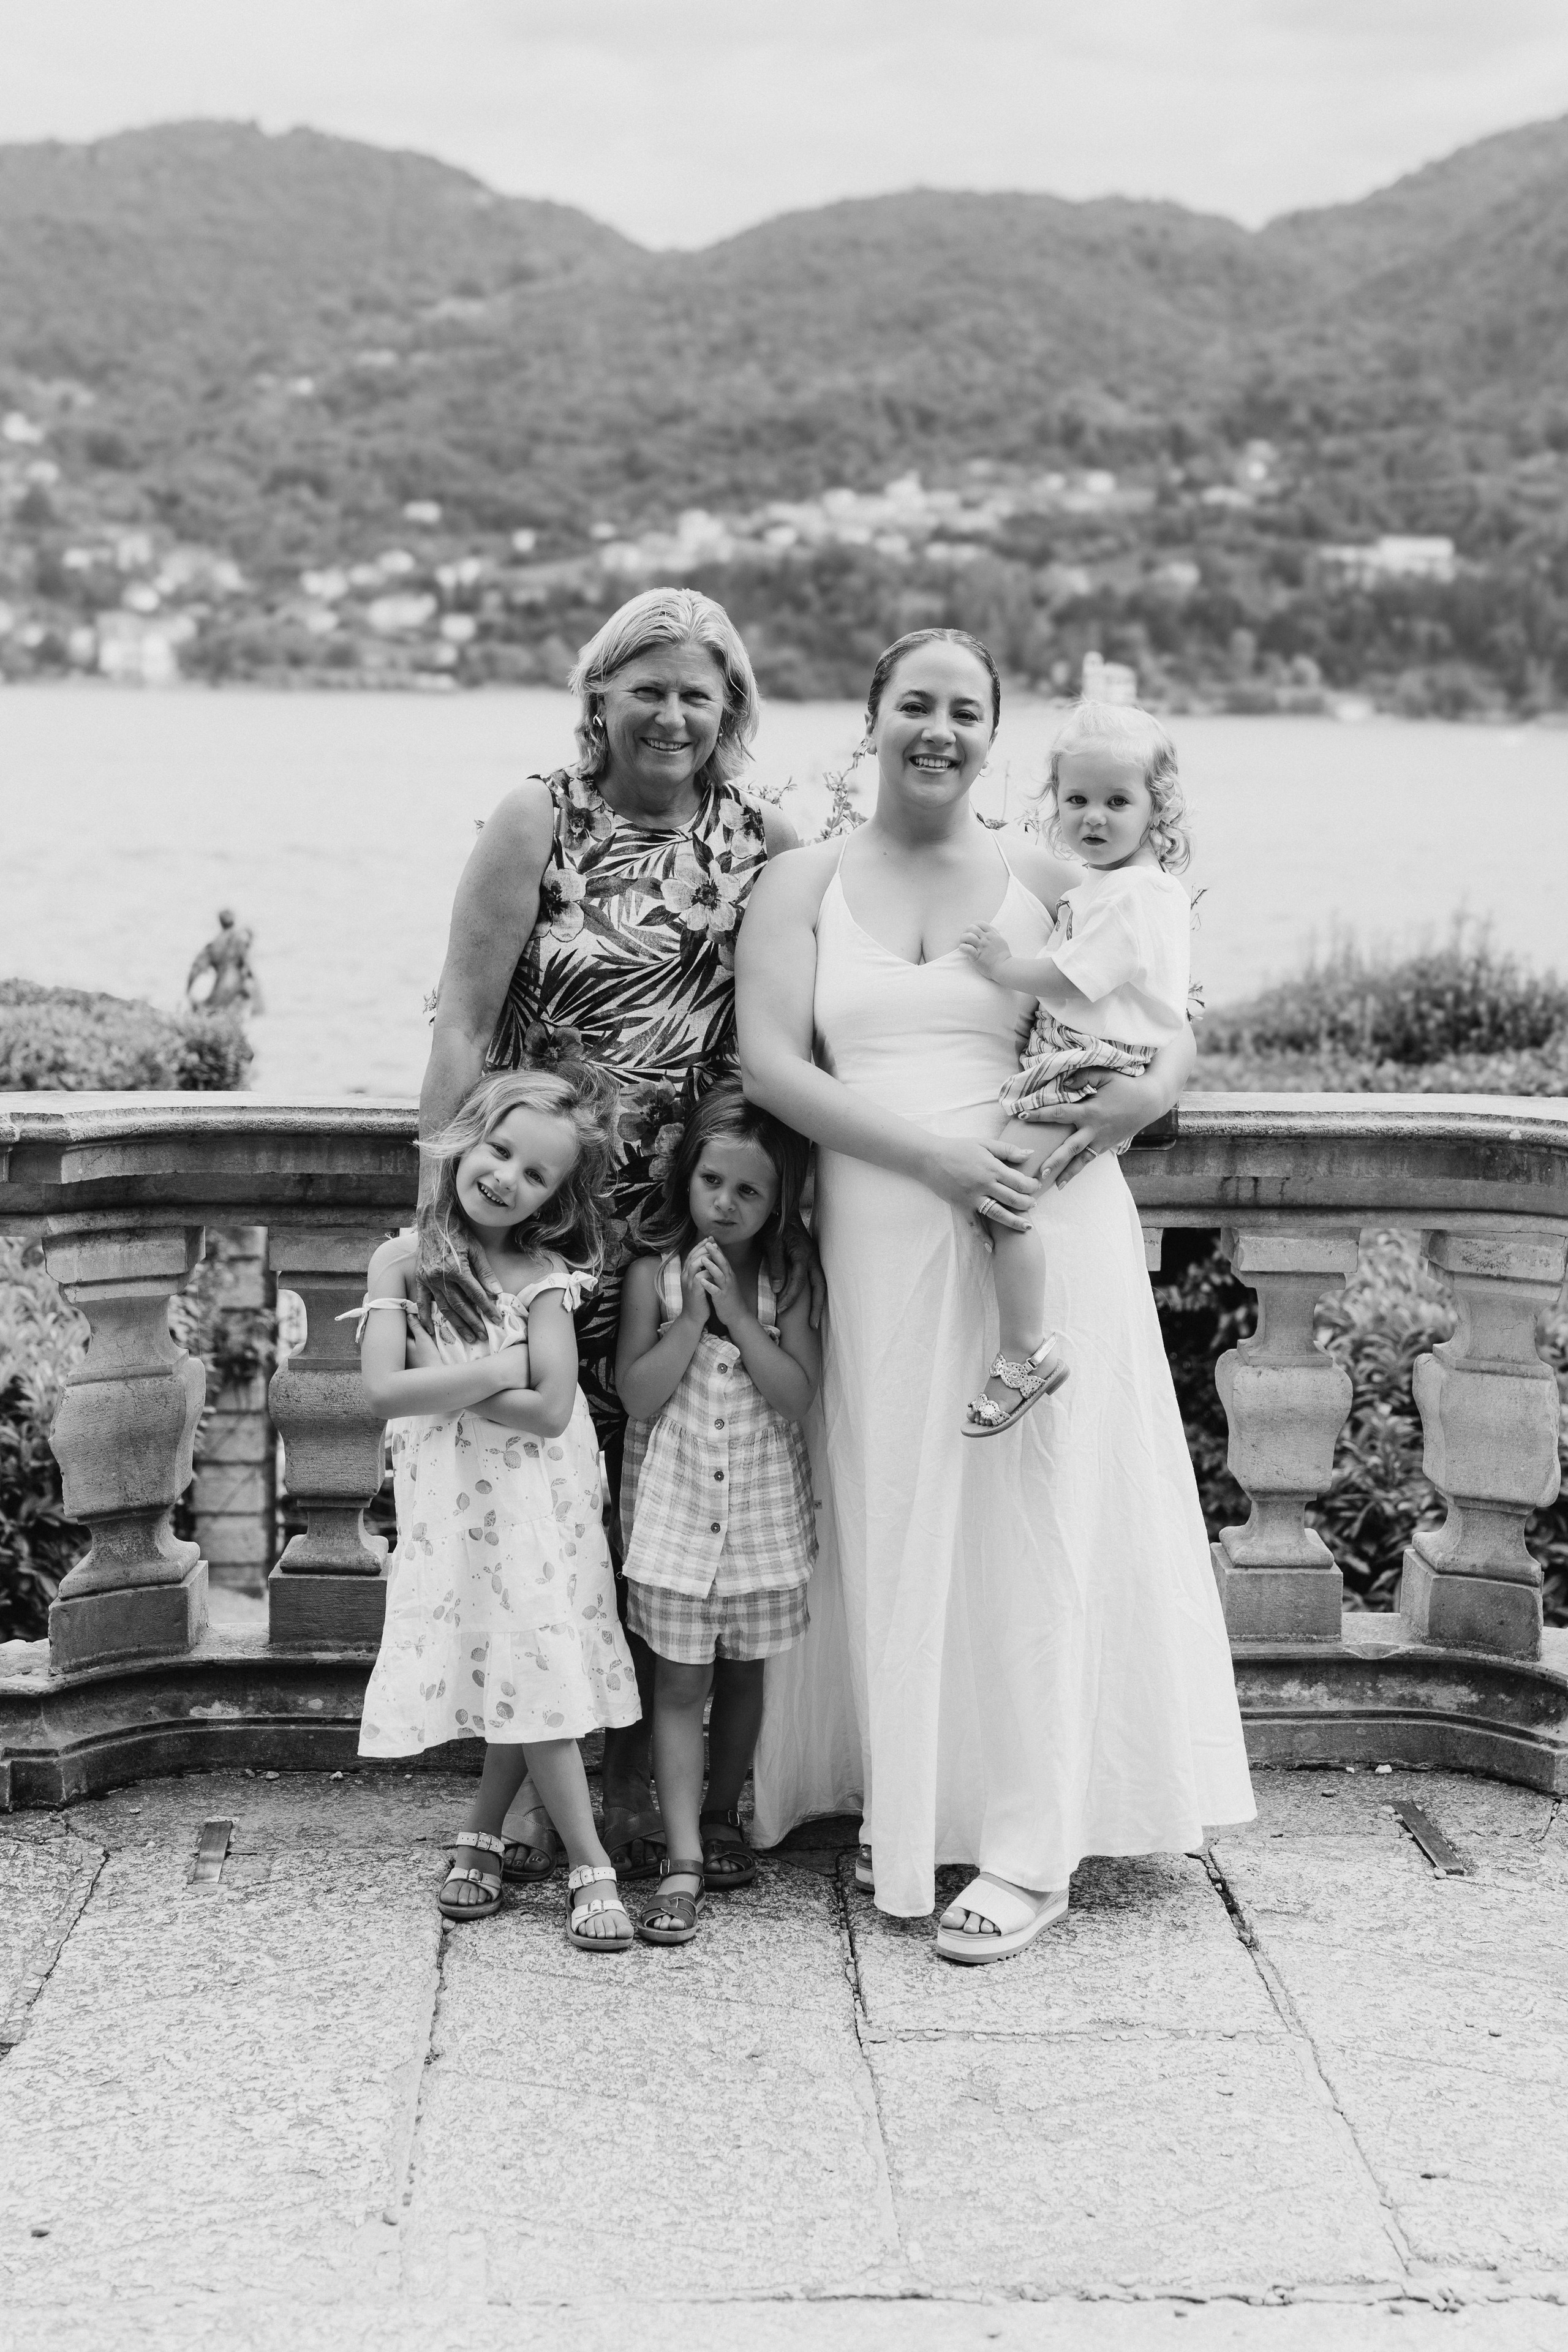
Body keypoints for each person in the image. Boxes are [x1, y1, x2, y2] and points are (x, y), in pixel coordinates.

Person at [737, 628, 1254, 1964]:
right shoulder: (799, 881)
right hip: (880, 1221)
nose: (939, 729)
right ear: (871, 718)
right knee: (900, 1502)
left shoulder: (1044, 872)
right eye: (915, 703)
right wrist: (931, 1155)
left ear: (991, 736)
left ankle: (1031, 1852)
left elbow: (1161, 1007)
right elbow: (773, 1069)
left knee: (1030, 1515)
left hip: (1040, 1222)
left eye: (966, 711)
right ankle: (909, 1799)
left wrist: (1148, 1094)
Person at [417, 587, 801, 1883]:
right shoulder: (540, 817)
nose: (672, 713)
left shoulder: (763, 840)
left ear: (731, 710)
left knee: (659, 1528)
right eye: (647, 687)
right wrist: (437, 1222)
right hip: (540, 1224)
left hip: (681, 1242)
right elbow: (464, 1024)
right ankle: (530, 1801)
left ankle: (646, 1804)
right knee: (541, 1523)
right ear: (597, 698)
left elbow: (810, 1030)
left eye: (698, 691)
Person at [353, 1043, 641, 1950]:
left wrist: (451, 1371)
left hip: (535, 1499)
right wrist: (499, 1366)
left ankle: (589, 1863)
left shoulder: (541, 1277)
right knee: (515, 1657)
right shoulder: (399, 1263)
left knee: (532, 1659)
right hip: (454, 1509)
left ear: (557, 1197)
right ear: (463, 1141)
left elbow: (553, 1410)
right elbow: (385, 1392)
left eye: (537, 1174)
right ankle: (485, 1824)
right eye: (500, 1153)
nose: (508, 1179)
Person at [614, 1083, 820, 1945]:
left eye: (749, 1191)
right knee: (679, 1682)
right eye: (712, 1183)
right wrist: (694, 1317)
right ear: (686, 1181)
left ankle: (724, 1811)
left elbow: (798, 1395)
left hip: (762, 1517)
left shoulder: (789, 1278)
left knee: (745, 1674)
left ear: (777, 1202)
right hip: (672, 1512)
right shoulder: (651, 1277)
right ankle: (685, 1855)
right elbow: (638, 1396)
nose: (725, 1205)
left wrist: (738, 1313)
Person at [957, 700, 1196, 1437]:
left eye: (1117, 802)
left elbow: (1073, 977)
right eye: (1077, 800)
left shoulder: (1132, 896)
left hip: (1090, 1072)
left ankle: (1024, 1355)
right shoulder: (1114, 885)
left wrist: (1005, 967)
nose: (1093, 818)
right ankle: (1021, 1349)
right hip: (1082, 1063)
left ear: (1157, 810)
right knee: (1005, 1198)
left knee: (1001, 1201)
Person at [185, 908, 263, 1014]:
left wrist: (188, 992)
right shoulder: (239, 940)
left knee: (211, 1010)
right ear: (233, 921)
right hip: (235, 989)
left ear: (220, 922)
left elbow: (196, 969)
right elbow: (247, 966)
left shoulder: (214, 944)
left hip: (219, 991)